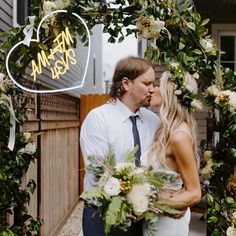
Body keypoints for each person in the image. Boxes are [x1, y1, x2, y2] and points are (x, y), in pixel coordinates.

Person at [80, 56, 160, 236]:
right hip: (103, 214)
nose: (152, 90)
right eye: (147, 83)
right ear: (126, 83)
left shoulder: (154, 122)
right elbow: (98, 172)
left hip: (143, 216)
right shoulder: (99, 118)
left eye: (153, 84)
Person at [141, 70, 202, 236]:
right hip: (155, 220)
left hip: (168, 223)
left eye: (157, 85)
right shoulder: (164, 130)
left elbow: (195, 193)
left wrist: (149, 202)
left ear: (170, 93)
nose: (152, 89)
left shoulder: (178, 136)